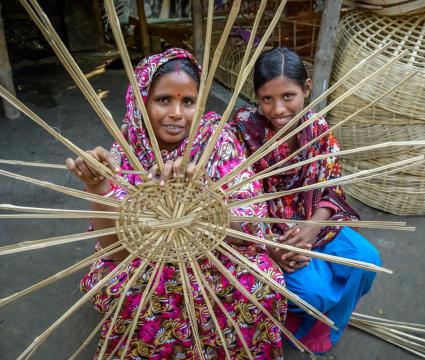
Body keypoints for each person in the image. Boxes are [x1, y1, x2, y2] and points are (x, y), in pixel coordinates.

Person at [65, 48, 286, 359]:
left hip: (216, 254)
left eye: (188, 102)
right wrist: (99, 187)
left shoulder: (216, 140)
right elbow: (115, 250)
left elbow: (249, 225)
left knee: (261, 283)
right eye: (163, 100)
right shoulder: (123, 154)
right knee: (134, 296)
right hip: (146, 262)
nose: (177, 114)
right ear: (142, 102)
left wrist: (207, 198)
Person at [230, 47, 381, 354]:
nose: (278, 109)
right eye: (267, 99)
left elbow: (332, 187)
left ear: (306, 89)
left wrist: (312, 226)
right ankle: (304, 319)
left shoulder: (317, 130)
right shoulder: (242, 131)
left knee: (366, 261)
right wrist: (272, 246)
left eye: (289, 96)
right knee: (312, 294)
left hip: (315, 222)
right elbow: (236, 199)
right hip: (268, 233)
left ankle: (327, 322)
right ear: (257, 97)